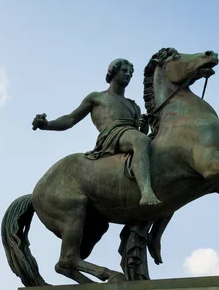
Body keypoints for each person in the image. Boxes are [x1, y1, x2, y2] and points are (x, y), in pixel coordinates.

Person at [32, 58, 161, 206]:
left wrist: (143, 127)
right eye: (124, 71)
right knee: (141, 140)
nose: (128, 74)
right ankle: (146, 192)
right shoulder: (97, 97)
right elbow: (71, 118)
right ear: (113, 71)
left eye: (131, 72)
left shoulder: (134, 106)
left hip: (130, 136)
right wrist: (47, 124)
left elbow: (140, 134)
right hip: (111, 135)